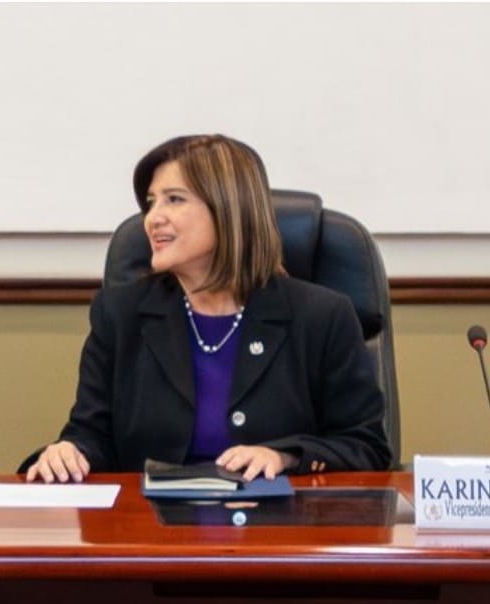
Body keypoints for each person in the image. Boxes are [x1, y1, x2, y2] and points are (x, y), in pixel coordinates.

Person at [22, 134, 391, 483]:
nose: (153, 218)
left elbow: (365, 447)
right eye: (151, 202)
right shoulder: (120, 313)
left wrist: (285, 457)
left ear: (230, 210)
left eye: (174, 199)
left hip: (279, 530)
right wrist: (69, 451)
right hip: (150, 531)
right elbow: (92, 435)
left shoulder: (322, 317)